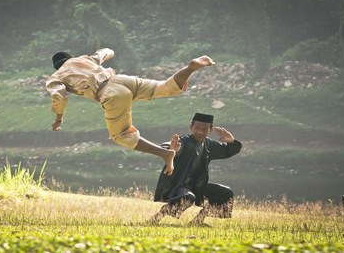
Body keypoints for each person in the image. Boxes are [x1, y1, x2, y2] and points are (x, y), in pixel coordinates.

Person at [46, 48, 215, 174]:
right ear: (70, 58)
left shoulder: (57, 77)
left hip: (109, 93)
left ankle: (165, 153)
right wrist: (110, 52)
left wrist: (59, 119)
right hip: (122, 79)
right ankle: (190, 68)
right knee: (165, 87)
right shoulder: (84, 59)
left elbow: (59, 96)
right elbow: (104, 52)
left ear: (56, 67)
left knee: (121, 136)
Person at [151, 113, 242, 225]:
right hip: (180, 184)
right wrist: (171, 149)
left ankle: (198, 221)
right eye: (197, 128)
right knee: (188, 197)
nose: (200, 131)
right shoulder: (184, 141)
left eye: (204, 129)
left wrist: (231, 142)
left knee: (225, 193)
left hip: (198, 185)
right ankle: (155, 219)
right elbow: (168, 146)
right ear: (191, 127)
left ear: (211, 129)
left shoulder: (209, 145)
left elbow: (227, 151)